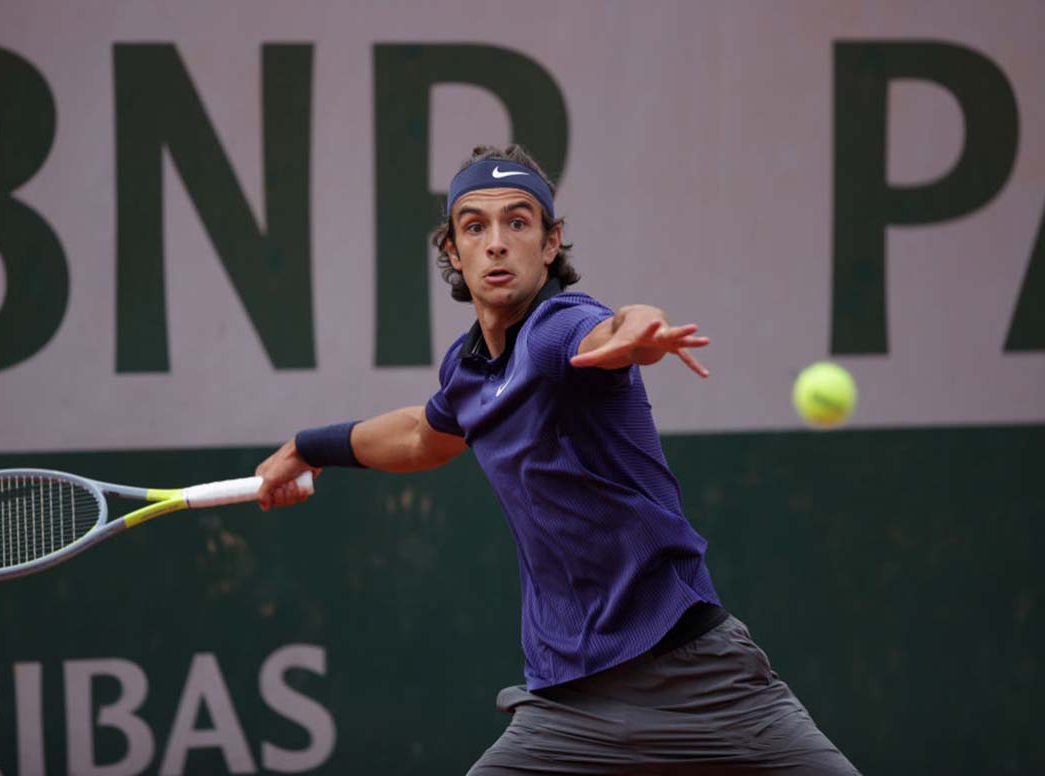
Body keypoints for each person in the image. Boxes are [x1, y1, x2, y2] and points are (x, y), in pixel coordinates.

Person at [255, 145, 860, 775]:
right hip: (568, 709)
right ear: (453, 253)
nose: (496, 243)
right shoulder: (467, 374)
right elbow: (419, 436)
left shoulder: (557, 331)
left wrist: (636, 333)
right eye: (475, 227)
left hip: (704, 683)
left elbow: (610, 329)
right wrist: (307, 448)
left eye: (518, 222)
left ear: (550, 244)